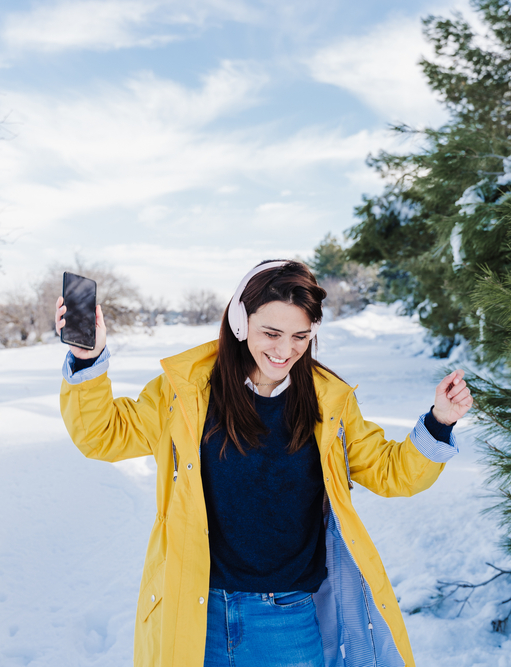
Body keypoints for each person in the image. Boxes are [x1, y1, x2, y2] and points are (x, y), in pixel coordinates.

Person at [55, 260, 472, 667]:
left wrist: (439, 422)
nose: (284, 349)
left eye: (300, 336)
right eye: (271, 332)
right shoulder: (185, 393)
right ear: (240, 321)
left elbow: (390, 471)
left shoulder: (330, 403)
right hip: (196, 615)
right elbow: (104, 435)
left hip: (287, 620)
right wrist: (87, 360)